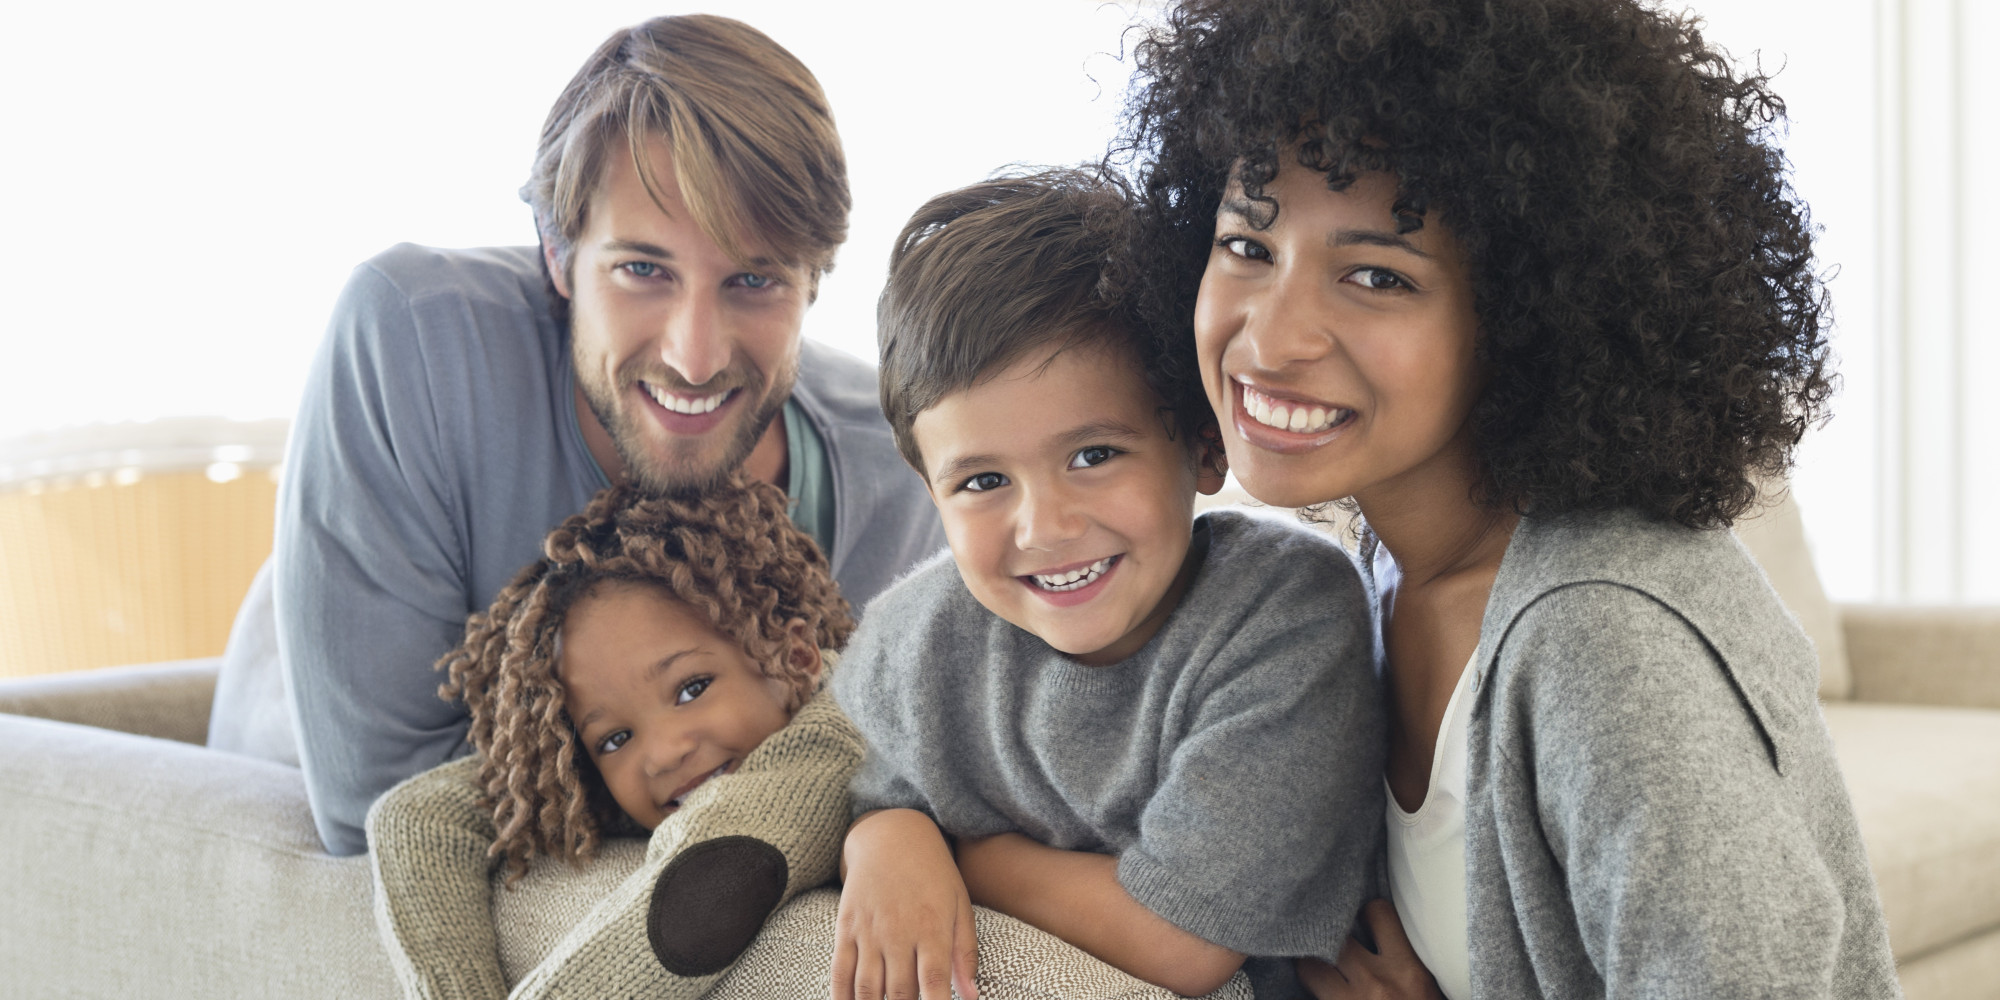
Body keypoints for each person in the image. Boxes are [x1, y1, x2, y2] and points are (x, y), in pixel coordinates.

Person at [1118, 0, 1902, 996]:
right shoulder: (1371, 571)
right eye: (1248, 246)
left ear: (1531, 311)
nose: (1269, 341)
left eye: (1374, 275)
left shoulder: (1602, 634)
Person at [206, 14, 945, 855]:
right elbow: (379, 810)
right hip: (272, 794)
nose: (694, 356)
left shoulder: (899, 465)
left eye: (754, 279)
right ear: (558, 256)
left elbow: (891, 774)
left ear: (815, 284)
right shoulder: (410, 337)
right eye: (642, 270)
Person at [830, 169, 1386, 1000]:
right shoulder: (916, 637)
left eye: (1093, 456)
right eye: (981, 482)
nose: (1043, 527)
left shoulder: (1285, 615)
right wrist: (888, 839)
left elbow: (1182, 942)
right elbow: (858, 789)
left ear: (1204, 447)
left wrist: (967, 859)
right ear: (929, 490)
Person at [367, 478, 865, 999]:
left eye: (692, 688)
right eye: (614, 738)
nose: (662, 751)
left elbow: (708, 882)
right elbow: (416, 817)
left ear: (797, 657)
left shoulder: (839, 729)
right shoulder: (628, 783)